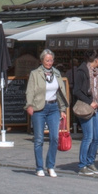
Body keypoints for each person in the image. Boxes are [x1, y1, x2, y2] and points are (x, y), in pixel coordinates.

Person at [24, 49, 69, 177]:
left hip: (53, 107)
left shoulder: (56, 73)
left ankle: (50, 166)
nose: (49, 62)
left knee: (54, 138)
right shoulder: (35, 73)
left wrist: (62, 109)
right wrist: (29, 105)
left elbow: (60, 92)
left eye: (51, 60)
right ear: (42, 60)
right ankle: (39, 167)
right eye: (47, 60)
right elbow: (30, 90)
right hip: (39, 108)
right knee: (39, 139)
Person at [70, 51, 98, 175]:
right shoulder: (82, 71)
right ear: (95, 60)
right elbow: (77, 91)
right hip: (86, 107)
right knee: (88, 137)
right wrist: (90, 101)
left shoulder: (97, 73)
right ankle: (82, 165)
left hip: (96, 107)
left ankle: (90, 162)